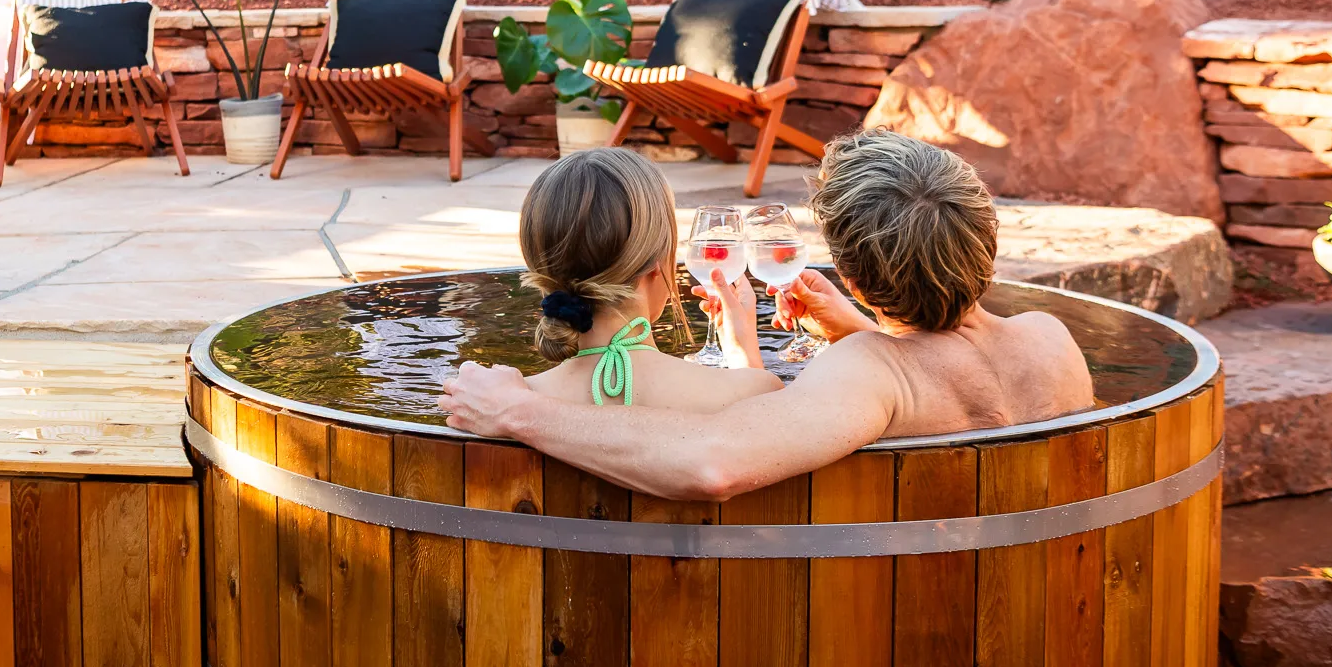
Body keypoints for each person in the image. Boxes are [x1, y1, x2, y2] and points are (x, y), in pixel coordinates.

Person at [439, 129, 1094, 500]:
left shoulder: (866, 373)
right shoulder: (1051, 339)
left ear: (854, 277)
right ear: (983, 234)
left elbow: (713, 464)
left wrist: (517, 411)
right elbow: (954, 386)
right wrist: (864, 328)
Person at [504, 147, 783, 413]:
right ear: (656, 261)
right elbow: (761, 428)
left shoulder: (505, 402)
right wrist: (743, 358)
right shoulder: (744, 394)